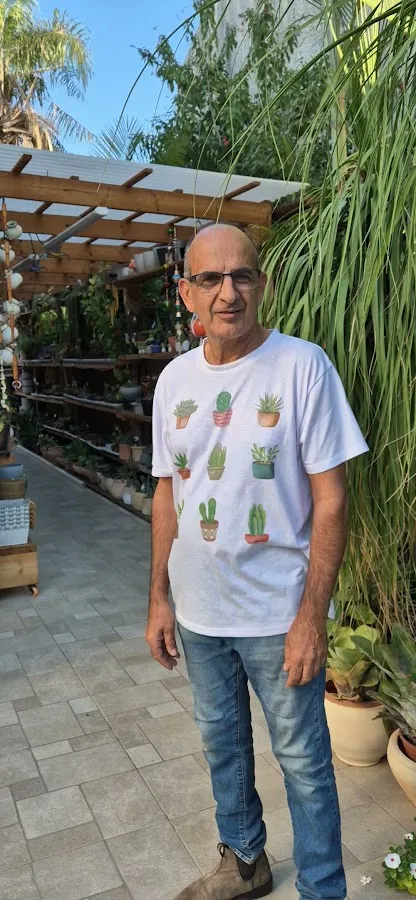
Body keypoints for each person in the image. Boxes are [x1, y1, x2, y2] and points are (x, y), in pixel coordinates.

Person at [147, 223, 368, 900]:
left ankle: (323, 888)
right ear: (186, 293)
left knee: (303, 763)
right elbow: (167, 492)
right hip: (200, 613)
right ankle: (244, 861)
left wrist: (312, 617)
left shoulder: (303, 367)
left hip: (278, 614)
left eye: (241, 275)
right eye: (210, 279)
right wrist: (158, 598)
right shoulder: (173, 380)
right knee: (223, 746)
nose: (228, 292)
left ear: (261, 285)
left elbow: (331, 499)